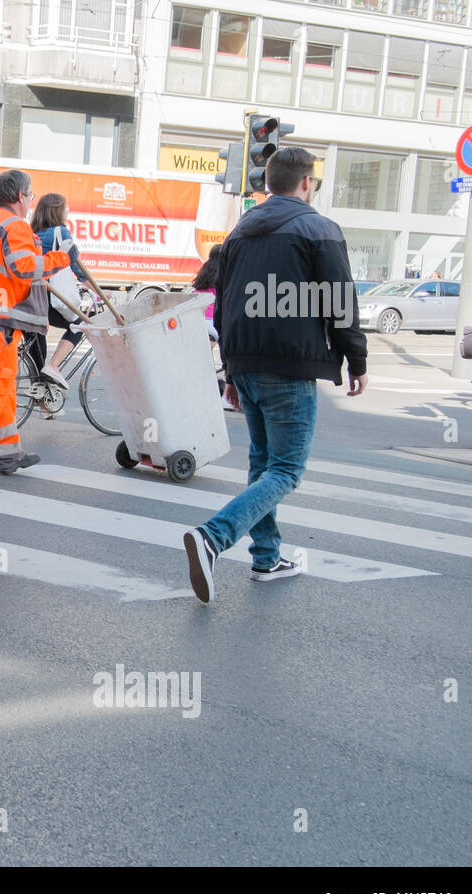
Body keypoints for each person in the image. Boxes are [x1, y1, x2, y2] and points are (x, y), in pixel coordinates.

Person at [183, 147, 368, 604]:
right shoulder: (317, 229)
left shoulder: (240, 232)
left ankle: (267, 558)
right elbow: (339, 299)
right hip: (290, 364)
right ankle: (213, 537)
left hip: (245, 363)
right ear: (306, 183)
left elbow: (224, 304)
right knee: (285, 469)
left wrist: (231, 369)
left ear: (269, 183)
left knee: (262, 465)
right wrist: (356, 360)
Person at [0, 169, 72, 476]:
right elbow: (24, 268)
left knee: (3, 387)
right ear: (20, 196)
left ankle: (10, 453)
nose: (31, 202)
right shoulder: (13, 224)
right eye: (30, 195)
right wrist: (60, 258)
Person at [29, 192, 89, 390]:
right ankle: (54, 366)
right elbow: (74, 262)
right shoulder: (61, 232)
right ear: (57, 211)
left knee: (36, 348)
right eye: (65, 207)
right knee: (79, 325)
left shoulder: (31, 232)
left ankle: (43, 403)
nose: (68, 211)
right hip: (47, 294)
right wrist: (89, 283)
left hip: (27, 295)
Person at [191, 244, 234, 409]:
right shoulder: (225, 272)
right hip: (213, 323)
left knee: (201, 360)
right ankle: (226, 397)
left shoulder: (204, 271)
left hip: (197, 319)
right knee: (225, 358)